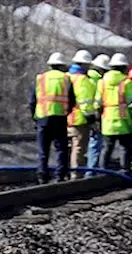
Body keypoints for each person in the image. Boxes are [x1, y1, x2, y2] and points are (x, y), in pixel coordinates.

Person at [28, 51, 72, 184]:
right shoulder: (66, 79)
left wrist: (34, 117)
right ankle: (60, 175)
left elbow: (32, 101)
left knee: (43, 149)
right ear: (62, 65)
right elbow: (72, 100)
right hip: (59, 117)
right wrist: (66, 112)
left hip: (43, 117)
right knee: (61, 148)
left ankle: (42, 175)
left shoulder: (40, 78)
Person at [97, 53, 132, 171]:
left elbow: (97, 102)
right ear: (124, 67)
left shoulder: (102, 82)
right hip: (124, 121)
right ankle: (125, 170)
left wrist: (97, 117)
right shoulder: (127, 82)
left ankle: (102, 171)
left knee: (107, 147)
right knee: (124, 148)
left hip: (107, 121)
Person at [66, 49, 99, 179]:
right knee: (78, 147)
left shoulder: (67, 76)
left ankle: (67, 171)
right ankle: (76, 173)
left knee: (68, 147)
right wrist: (91, 119)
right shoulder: (82, 80)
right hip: (78, 118)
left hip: (64, 117)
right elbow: (85, 102)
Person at [87, 53, 112, 168]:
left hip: (80, 115)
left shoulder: (85, 77)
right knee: (95, 144)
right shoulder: (99, 81)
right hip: (96, 116)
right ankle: (92, 171)